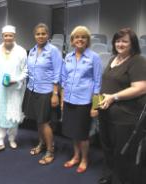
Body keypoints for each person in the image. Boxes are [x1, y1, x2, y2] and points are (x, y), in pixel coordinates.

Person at [98, 28, 146, 184]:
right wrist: (97, 104)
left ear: (132, 44)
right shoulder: (114, 58)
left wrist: (114, 97)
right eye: (117, 41)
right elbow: (106, 83)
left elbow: (141, 88)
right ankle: (109, 176)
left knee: (122, 153)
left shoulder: (137, 60)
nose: (120, 44)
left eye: (125, 41)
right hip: (105, 113)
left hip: (125, 117)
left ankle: (120, 180)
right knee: (107, 148)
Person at [61, 26, 102, 173]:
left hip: (85, 102)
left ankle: (85, 159)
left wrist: (95, 107)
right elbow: (64, 80)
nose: (80, 39)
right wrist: (62, 100)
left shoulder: (94, 57)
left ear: (87, 40)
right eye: (77, 37)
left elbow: (98, 83)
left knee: (83, 134)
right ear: (72, 41)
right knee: (73, 132)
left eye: (83, 37)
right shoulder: (68, 57)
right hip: (69, 100)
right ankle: (76, 156)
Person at [22, 23, 62, 165]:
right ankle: (42, 144)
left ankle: (50, 150)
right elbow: (28, 71)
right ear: (34, 35)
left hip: (46, 91)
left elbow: (58, 73)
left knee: (45, 122)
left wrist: (55, 93)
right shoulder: (32, 51)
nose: (40, 36)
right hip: (32, 89)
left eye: (43, 33)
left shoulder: (53, 51)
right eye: (38, 34)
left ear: (48, 35)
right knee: (38, 121)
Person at [0, 25, 27, 154]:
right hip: (0, 88)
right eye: (6, 35)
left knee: (13, 112)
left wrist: (15, 80)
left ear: (14, 36)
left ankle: (12, 138)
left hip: (15, 88)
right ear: (2, 36)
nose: (8, 38)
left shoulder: (21, 51)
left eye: (10, 35)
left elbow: (25, 71)